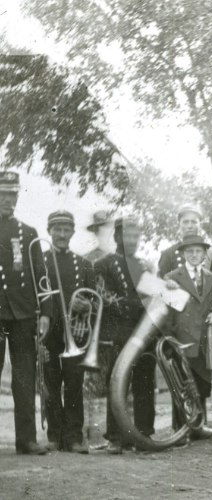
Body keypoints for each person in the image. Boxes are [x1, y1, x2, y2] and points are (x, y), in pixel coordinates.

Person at [94, 216, 156, 454]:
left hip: (143, 333)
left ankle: (144, 434)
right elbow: (102, 296)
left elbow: (155, 297)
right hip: (119, 333)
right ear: (117, 237)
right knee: (117, 383)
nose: (132, 240)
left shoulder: (144, 265)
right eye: (127, 236)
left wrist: (165, 287)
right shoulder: (103, 264)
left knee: (145, 382)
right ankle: (116, 437)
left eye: (136, 236)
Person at [0, 171, 50, 455]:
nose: (8, 200)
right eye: (3, 195)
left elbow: (41, 276)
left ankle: (26, 440)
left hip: (23, 314)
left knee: (24, 377)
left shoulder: (28, 233)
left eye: (12, 195)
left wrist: (45, 312)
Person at [43, 210, 95, 453]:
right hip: (49, 332)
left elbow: (93, 300)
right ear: (49, 231)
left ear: (73, 232)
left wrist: (86, 305)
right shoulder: (39, 261)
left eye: (66, 230)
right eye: (57, 230)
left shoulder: (84, 264)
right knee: (51, 384)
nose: (62, 234)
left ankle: (74, 437)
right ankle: (55, 435)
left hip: (76, 334)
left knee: (74, 384)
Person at [164, 234, 212, 440]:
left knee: (201, 383)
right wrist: (170, 340)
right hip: (181, 339)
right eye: (189, 251)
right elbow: (166, 313)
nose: (194, 255)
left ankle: (198, 426)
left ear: (205, 254)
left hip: (203, 339)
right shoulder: (171, 278)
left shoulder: (211, 277)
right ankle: (180, 429)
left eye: (198, 251)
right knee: (182, 386)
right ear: (183, 254)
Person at [158, 204, 212, 278]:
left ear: (200, 225)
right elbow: (161, 284)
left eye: (194, 222)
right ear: (179, 224)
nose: (190, 226)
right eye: (185, 222)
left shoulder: (210, 253)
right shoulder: (168, 254)